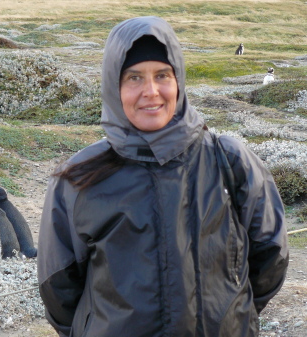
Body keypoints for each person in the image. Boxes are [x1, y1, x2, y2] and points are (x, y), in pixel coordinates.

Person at [37, 16, 288, 337]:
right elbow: (58, 288)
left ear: (179, 80)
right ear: (113, 85)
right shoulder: (79, 178)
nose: (151, 91)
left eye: (162, 75)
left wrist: (233, 316)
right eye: (134, 77)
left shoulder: (232, 161)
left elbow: (271, 257)